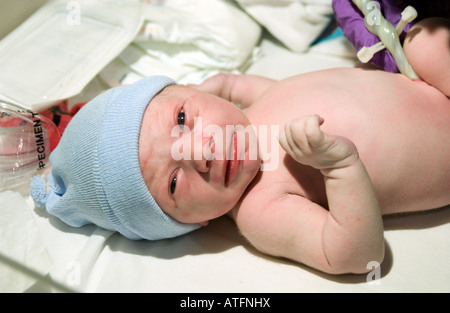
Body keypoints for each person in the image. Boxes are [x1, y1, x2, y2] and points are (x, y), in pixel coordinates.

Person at [31, 16, 450, 275]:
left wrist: (231, 83)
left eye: (181, 119)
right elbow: (356, 258)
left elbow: (280, 90)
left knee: (424, 41)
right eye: (173, 183)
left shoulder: (253, 107)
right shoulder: (260, 210)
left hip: (432, 84)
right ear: (192, 224)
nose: (197, 152)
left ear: (194, 91)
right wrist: (339, 168)